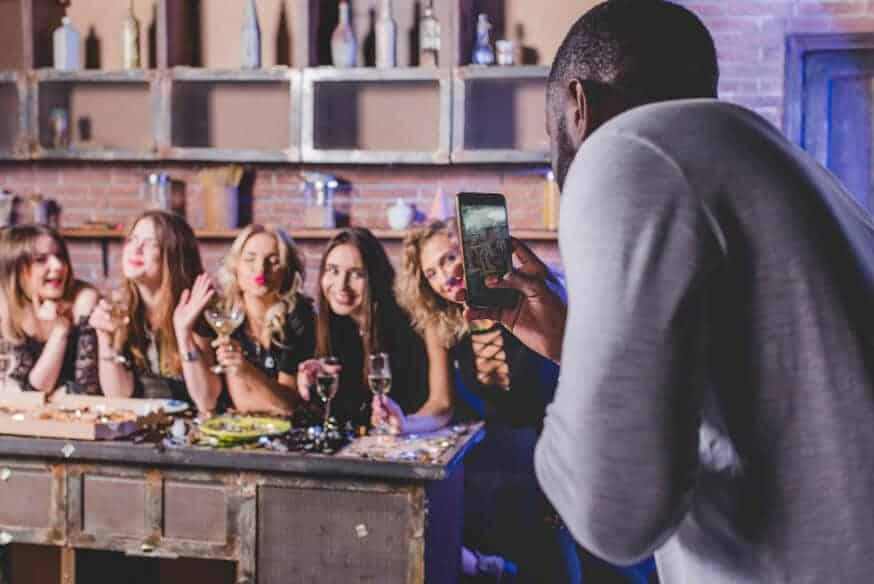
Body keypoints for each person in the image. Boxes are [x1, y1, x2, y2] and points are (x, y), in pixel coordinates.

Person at [469, 1, 874, 583]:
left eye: (549, 134)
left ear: (577, 106)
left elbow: (612, 511)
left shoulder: (625, 150)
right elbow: (755, 404)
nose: (556, 159)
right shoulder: (783, 164)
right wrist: (571, 344)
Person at [88, 210, 223, 412]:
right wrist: (105, 340)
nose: (137, 249)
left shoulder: (198, 308)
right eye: (133, 240)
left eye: (152, 243)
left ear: (174, 256)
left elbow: (207, 401)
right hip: (141, 429)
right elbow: (118, 395)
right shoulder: (120, 308)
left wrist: (183, 332)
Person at [296, 227, 428, 429]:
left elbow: (415, 405)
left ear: (376, 277)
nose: (341, 285)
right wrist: (312, 387)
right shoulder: (325, 326)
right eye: (332, 270)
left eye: (357, 274)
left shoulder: (409, 328)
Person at [211, 225, 316, 415]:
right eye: (250, 259)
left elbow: (289, 405)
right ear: (235, 267)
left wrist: (245, 369)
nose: (260, 269)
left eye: (273, 261)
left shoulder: (298, 316)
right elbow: (243, 403)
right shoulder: (225, 315)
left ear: (287, 271)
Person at [0, 225, 99, 395]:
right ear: (15, 269)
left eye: (60, 256)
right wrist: (59, 333)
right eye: (40, 259)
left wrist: (62, 326)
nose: (58, 265)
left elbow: (87, 388)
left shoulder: (84, 300)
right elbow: (25, 393)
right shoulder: (5, 308)